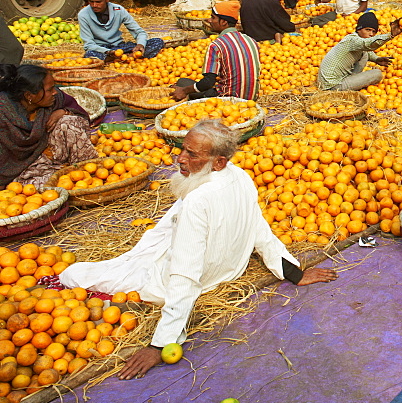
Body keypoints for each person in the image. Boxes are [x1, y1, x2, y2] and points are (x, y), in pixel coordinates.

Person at [55, 120, 338, 380]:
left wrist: (161, 343)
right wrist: (293, 272)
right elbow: (260, 230)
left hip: (199, 277)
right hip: (229, 266)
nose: (180, 159)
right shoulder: (239, 175)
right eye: (183, 150)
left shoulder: (198, 201)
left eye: (192, 155)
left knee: (72, 275)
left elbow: (185, 273)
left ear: (218, 162)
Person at [0, 64, 97, 187]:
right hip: (19, 168)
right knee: (47, 186)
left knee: (69, 122)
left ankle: (86, 170)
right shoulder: (4, 113)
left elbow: (80, 114)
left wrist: (63, 112)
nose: (55, 92)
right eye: (50, 90)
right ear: (29, 96)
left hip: (48, 153)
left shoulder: (55, 99)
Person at [173, 2, 260, 101]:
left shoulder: (217, 45)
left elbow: (208, 82)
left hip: (226, 101)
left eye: (213, 17)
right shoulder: (251, 41)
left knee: (183, 82)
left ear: (223, 22)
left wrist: (184, 90)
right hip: (251, 100)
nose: (209, 20)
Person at [318, 11, 402, 91]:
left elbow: (366, 50)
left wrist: (376, 59)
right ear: (358, 29)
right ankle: (353, 81)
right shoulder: (353, 40)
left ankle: (353, 79)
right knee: (377, 74)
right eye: (367, 30)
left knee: (365, 53)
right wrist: (390, 35)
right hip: (332, 86)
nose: (371, 34)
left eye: (374, 31)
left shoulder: (354, 40)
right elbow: (368, 44)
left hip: (331, 81)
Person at [78, 0, 163, 61]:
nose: (94, 5)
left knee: (157, 42)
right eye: (91, 2)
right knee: (89, 55)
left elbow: (139, 32)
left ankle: (120, 58)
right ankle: (125, 57)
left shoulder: (118, 10)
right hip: (101, 49)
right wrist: (108, 52)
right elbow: (88, 44)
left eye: (98, 2)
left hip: (120, 47)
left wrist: (140, 45)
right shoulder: (83, 14)